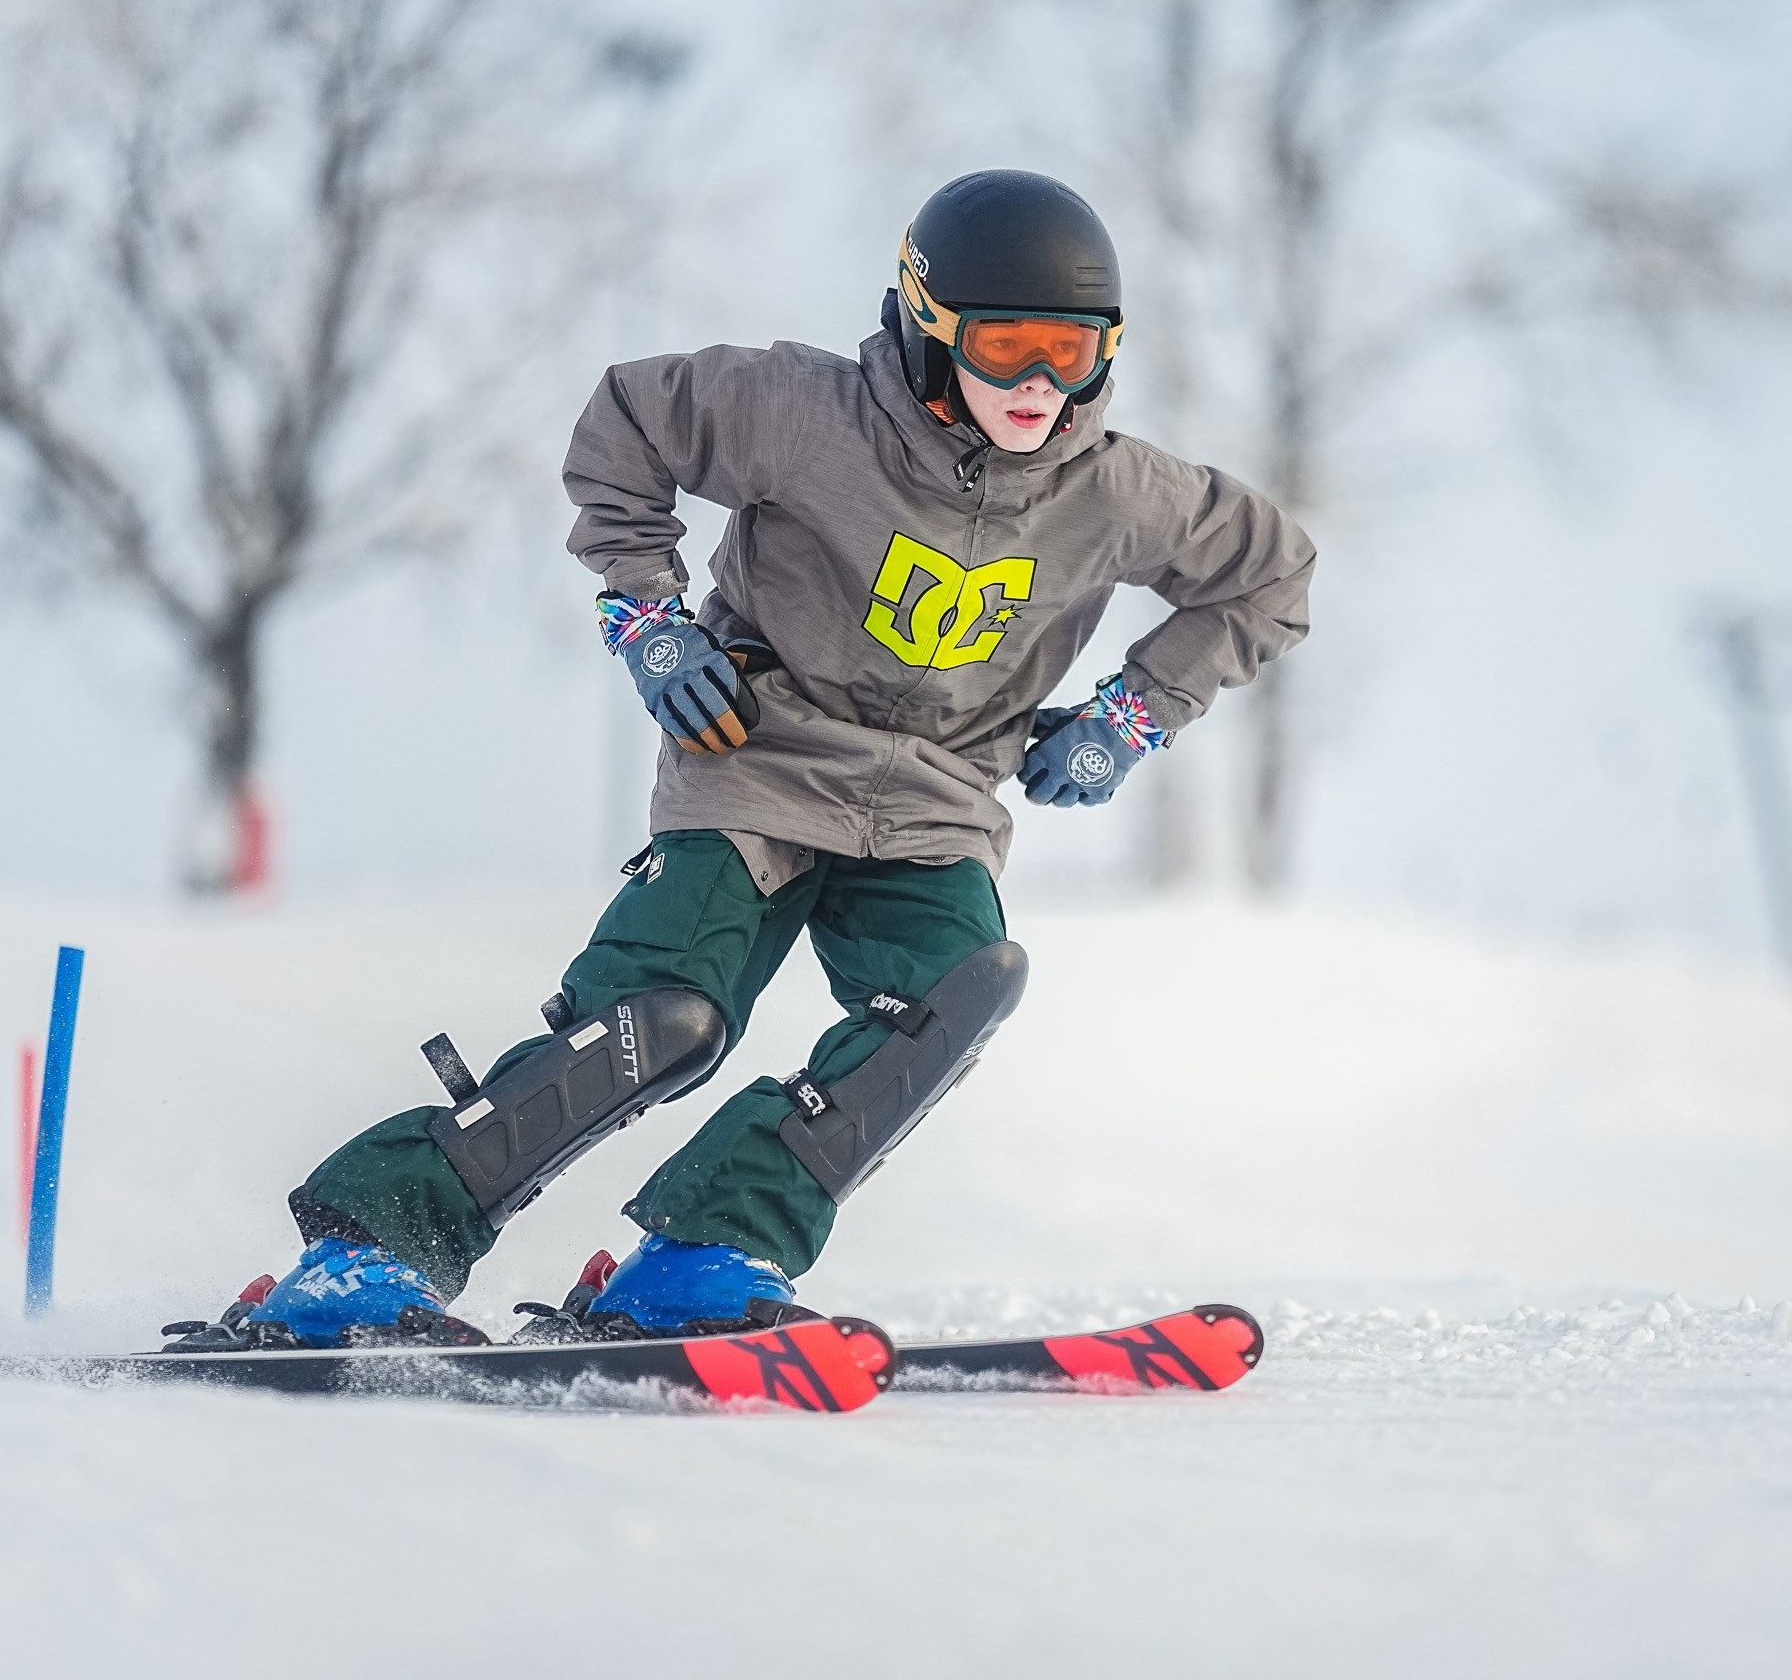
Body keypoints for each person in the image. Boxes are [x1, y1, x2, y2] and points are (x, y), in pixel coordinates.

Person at [204, 169, 1316, 1349]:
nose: (1039, 385)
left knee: (959, 990)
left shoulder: (1120, 491)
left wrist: (1133, 715)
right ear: (929, 321)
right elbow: (626, 421)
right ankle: (370, 1249)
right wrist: (648, 618)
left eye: (1070, 349)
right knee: (662, 1016)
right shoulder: (802, 412)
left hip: (936, 802)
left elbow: (1270, 574)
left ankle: (701, 1252)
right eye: (1004, 347)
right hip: (754, 760)